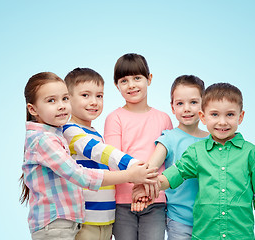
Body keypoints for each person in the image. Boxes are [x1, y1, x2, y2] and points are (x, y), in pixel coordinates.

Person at [19, 72, 158, 240]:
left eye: (64, 99)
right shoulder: (65, 132)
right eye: (52, 100)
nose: (94, 102)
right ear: (32, 109)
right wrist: (133, 170)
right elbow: (95, 158)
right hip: (78, 220)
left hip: (100, 219)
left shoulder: (83, 133)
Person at [133, 82, 255, 240]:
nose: (222, 122)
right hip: (203, 236)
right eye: (214, 114)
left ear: (240, 116)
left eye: (230, 114)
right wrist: (148, 187)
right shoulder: (196, 152)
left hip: (241, 235)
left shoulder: (253, 154)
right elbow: (174, 174)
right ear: (203, 117)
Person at [63, 67, 153, 240]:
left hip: (106, 220)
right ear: (67, 99)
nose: (94, 101)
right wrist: (133, 166)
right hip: (85, 220)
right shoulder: (70, 131)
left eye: (99, 96)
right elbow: (101, 152)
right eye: (85, 95)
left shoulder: (95, 133)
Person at [104, 53, 173, 240]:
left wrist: (147, 189)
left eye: (137, 78)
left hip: (155, 200)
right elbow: (112, 159)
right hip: (122, 203)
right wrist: (137, 183)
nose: (132, 85)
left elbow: (168, 160)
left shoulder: (163, 119)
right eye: (124, 80)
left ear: (149, 79)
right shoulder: (114, 118)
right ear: (116, 86)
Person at [134, 75, 208, 240]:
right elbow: (150, 169)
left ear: (205, 105)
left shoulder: (212, 141)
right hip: (178, 218)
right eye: (180, 103)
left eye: (194, 102)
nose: (186, 108)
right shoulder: (169, 138)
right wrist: (142, 190)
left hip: (209, 220)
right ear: (172, 107)